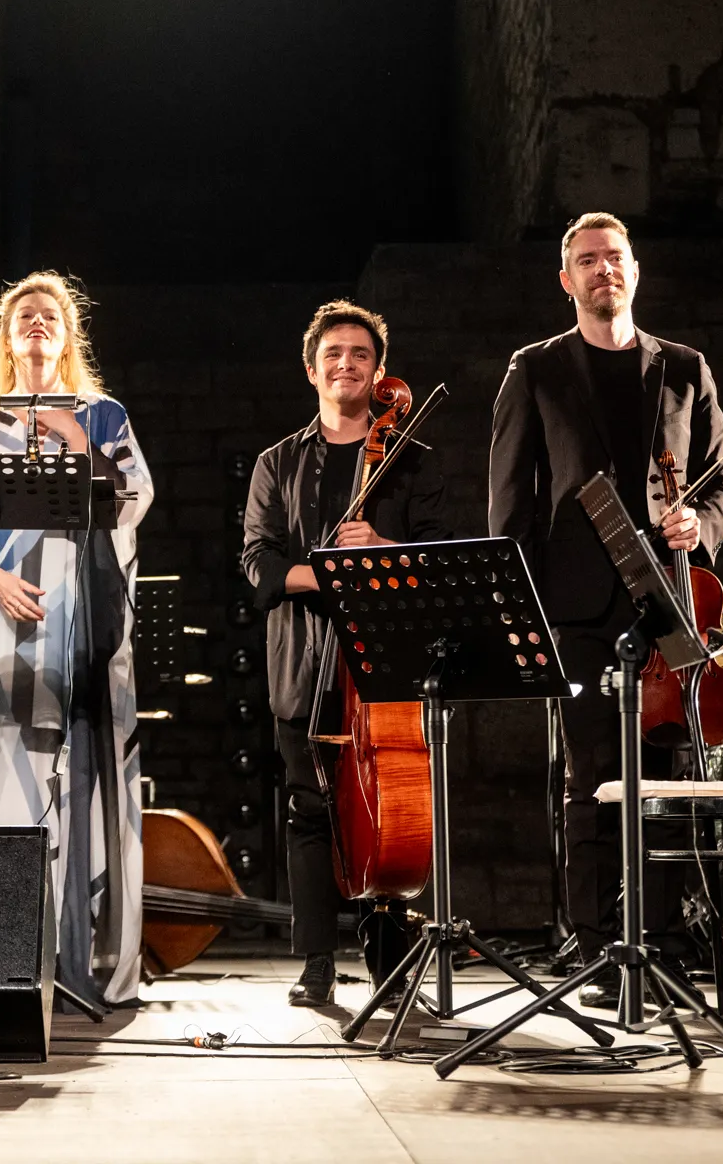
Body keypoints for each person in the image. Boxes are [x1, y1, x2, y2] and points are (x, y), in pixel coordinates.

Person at [489, 211, 723, 1007]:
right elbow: (509, 510)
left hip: (667, 594)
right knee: (593, 778)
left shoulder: (685, 369)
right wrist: (521, 611)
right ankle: (599, 948)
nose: (605, 270)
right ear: (567, 280)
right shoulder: (534, 370)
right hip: (575, 604)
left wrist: (700, 523)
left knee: (666, 775)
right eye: (588, 260)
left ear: (637, 271)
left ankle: (663, 945)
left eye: (617, 258)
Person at [0, 272, 153, 1009]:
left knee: (74, 775)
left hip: (77, 624)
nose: (38, 325)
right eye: (26, 317)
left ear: (67, 333)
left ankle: (75, 957)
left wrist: (77, 437)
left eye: (51, 316)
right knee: (3, 770)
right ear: (7, 336)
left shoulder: (103, 414)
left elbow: (134, 498)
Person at [241, 301, 451, 1007]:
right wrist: (332, 572)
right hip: (303, 658)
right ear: (312, 369)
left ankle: (390, 962)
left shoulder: (410, 459)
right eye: (333, 353)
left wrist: (384, 555)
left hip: (382, 660)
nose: (346, 364)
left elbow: (436, 561)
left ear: (378, 370)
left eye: (360, 354)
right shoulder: (278, 463)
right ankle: (317, 964)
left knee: (385, 808)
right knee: (309, 809)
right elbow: (261, 566)